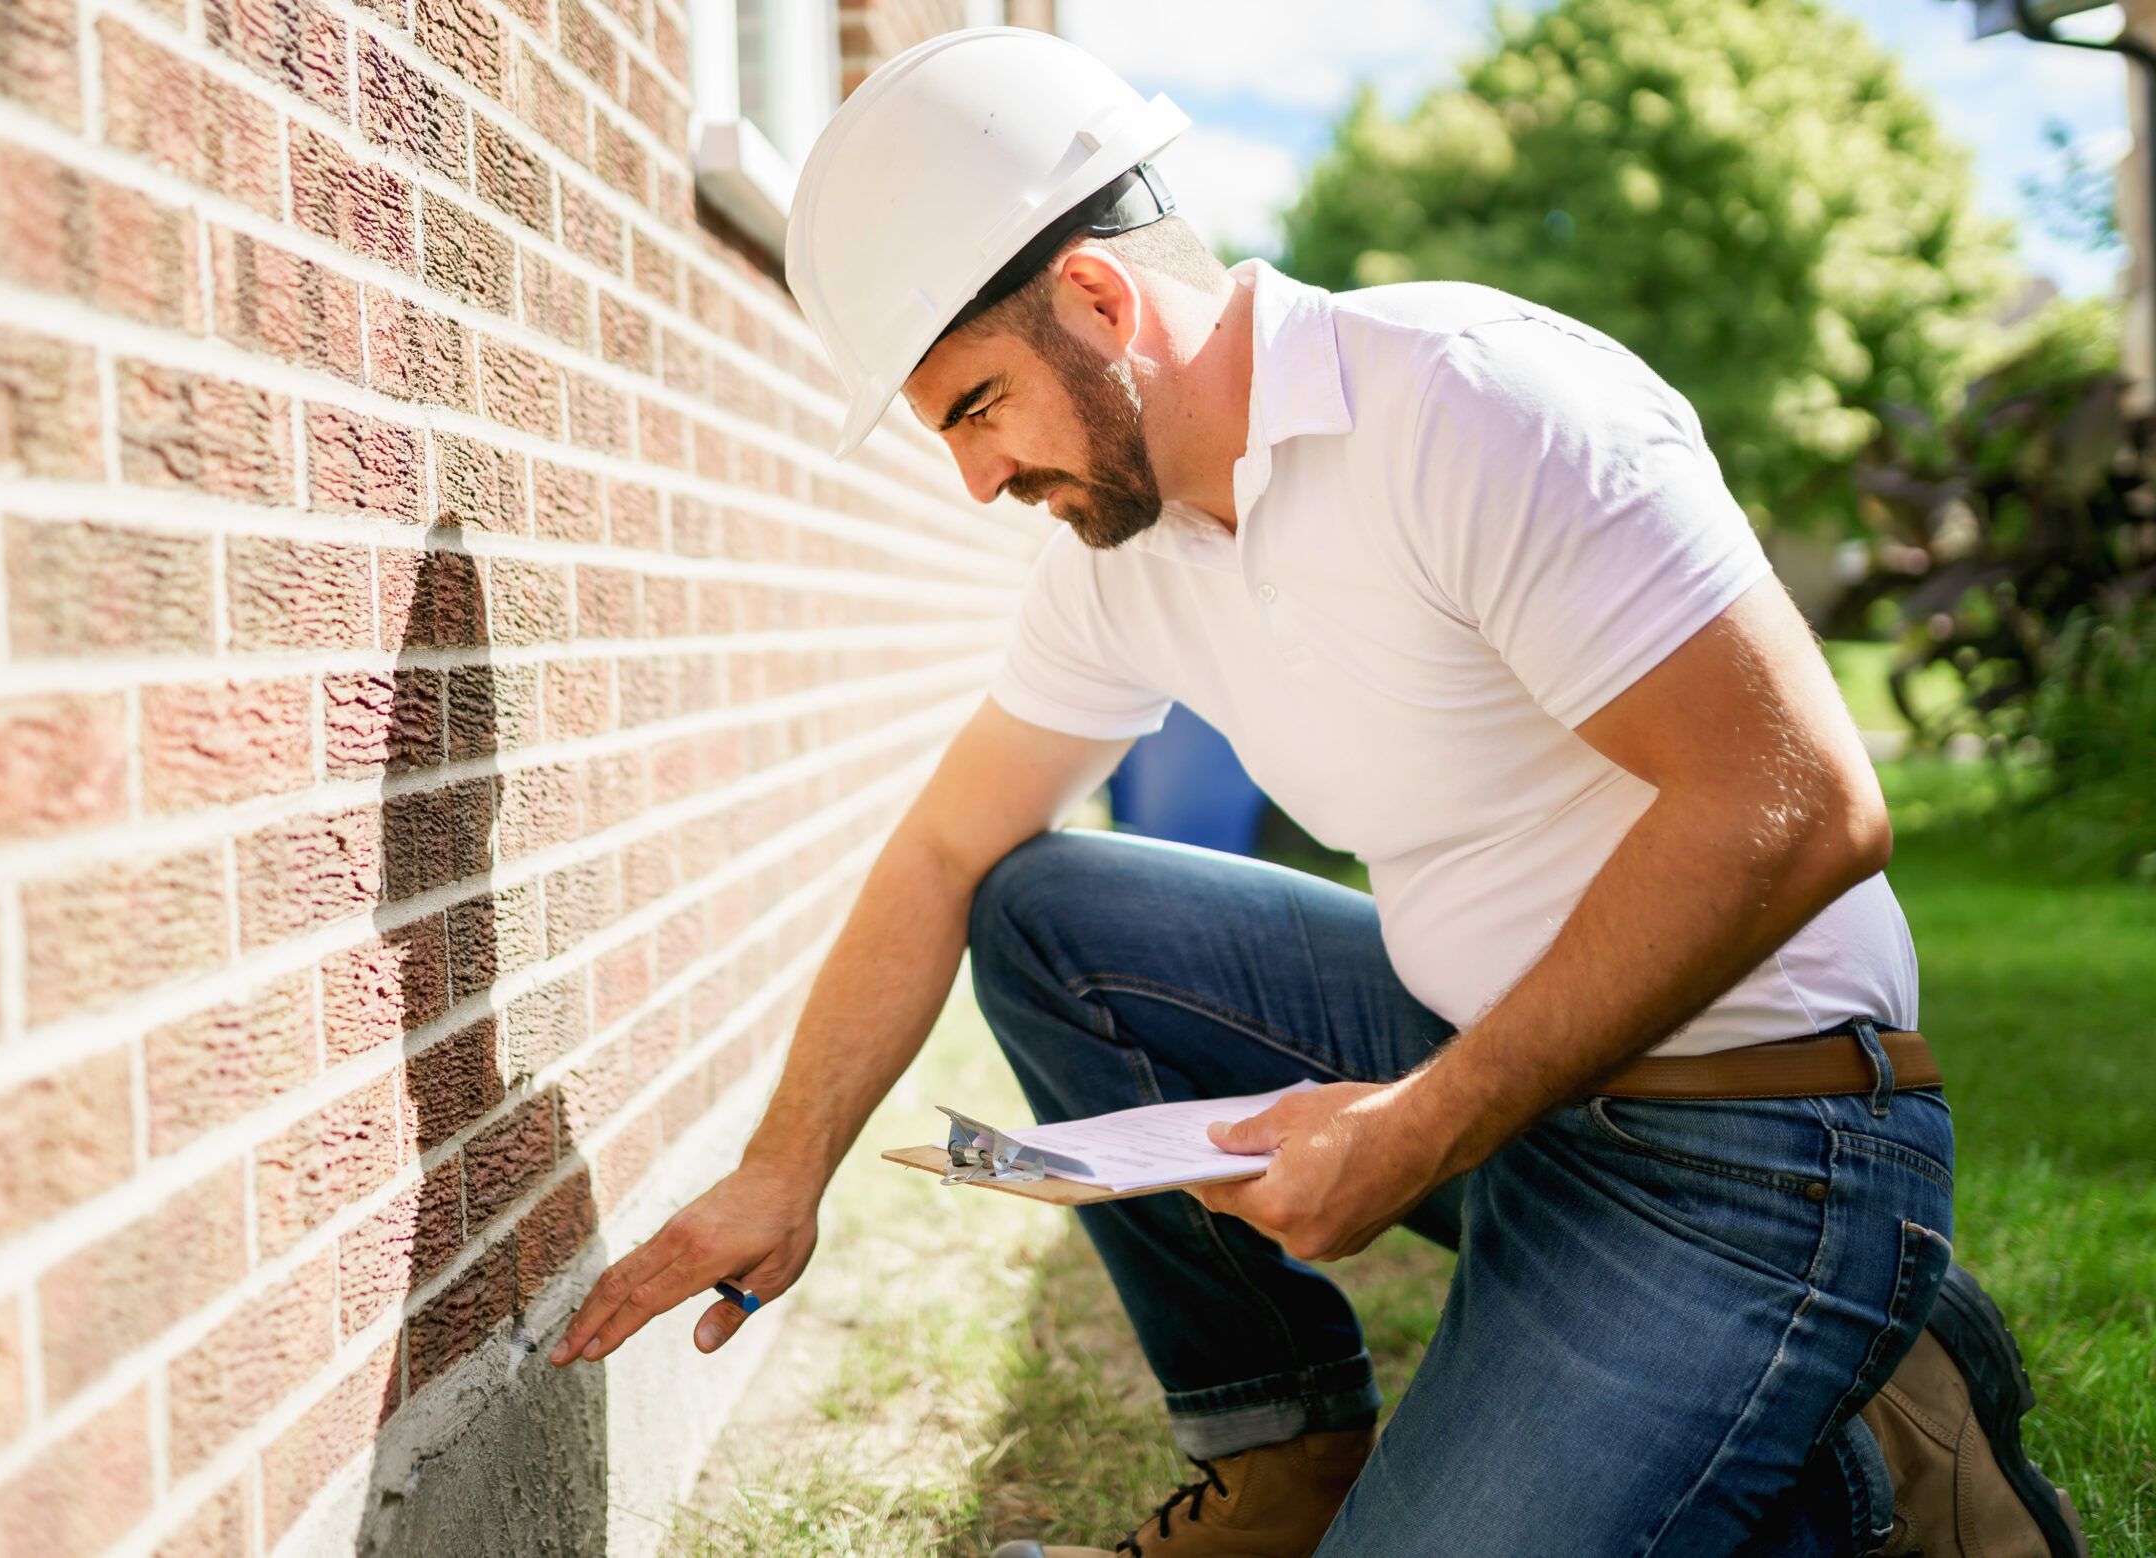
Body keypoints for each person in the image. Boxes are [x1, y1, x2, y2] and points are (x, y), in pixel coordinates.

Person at [549, 27, 2088, 1557]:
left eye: (976, 408)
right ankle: (1287, 1453)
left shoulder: (1475, 404)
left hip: (1760, 1148)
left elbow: (1802, 801)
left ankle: (1848, 1451)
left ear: (1097, 298)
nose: (978, 478)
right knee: (1044, 908)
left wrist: (1426, 1121)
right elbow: (950, 842)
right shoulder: (1124, 554)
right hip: (1506, 1087)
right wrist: (782, 1166)